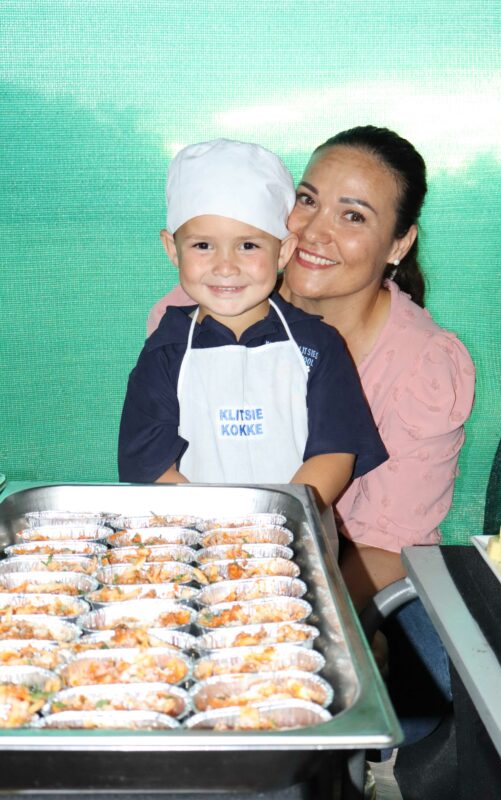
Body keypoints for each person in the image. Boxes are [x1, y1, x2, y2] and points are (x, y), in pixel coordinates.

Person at [147, 128, 476, 766]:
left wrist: (289, 613)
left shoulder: (423, 367)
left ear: (398, 243)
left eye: (353, 216)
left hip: (342, 580)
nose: (317, 232)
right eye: (307, 200)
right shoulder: (199, 310)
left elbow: (396, 546)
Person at [118, 138, 388, 508]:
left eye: (248, 246)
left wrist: (278, 518)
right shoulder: (165, 352)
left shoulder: (317, 346)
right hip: (197, 538)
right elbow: (151, 465)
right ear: (172, 249)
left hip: (293, 537)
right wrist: (216, 529)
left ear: (285, 251)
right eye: (202, 246)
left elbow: (335, 453)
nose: (225, 266)